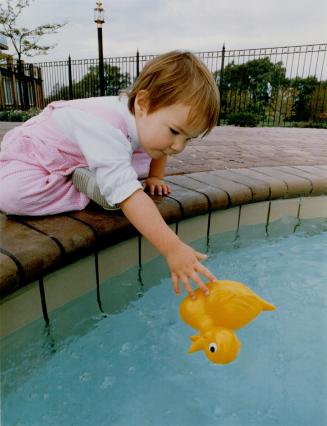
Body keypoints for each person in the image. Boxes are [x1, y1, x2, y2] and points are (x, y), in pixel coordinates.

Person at [0, 51, 220, 298]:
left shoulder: (146, 121)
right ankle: (91, 184)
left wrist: (155, 177)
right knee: (10, 196)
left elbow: (160, 150)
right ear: (143, 104)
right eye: (175, 131)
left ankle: (103, 177)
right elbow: (130, 198)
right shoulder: (106, 127)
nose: (178, 146)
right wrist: (173, 248)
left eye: (187, 139)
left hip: (84, 153)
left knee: (149, 149)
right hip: (39, 154)